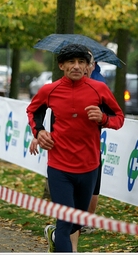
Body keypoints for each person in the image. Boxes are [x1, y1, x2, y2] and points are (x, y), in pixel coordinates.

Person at [27, 43, 124, 252]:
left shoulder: (99, 90)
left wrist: (103, 118)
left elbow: (119, 118)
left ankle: (53, 235)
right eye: (71, 62)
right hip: (59, 166)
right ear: (62, 65)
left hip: (89, 166)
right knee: (65, 223)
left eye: (81, 62)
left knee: (78, 222)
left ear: (88, 65)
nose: (76, 66)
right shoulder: (49, 90)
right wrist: (39, 132)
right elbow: (33, 111)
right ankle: (59, 236)